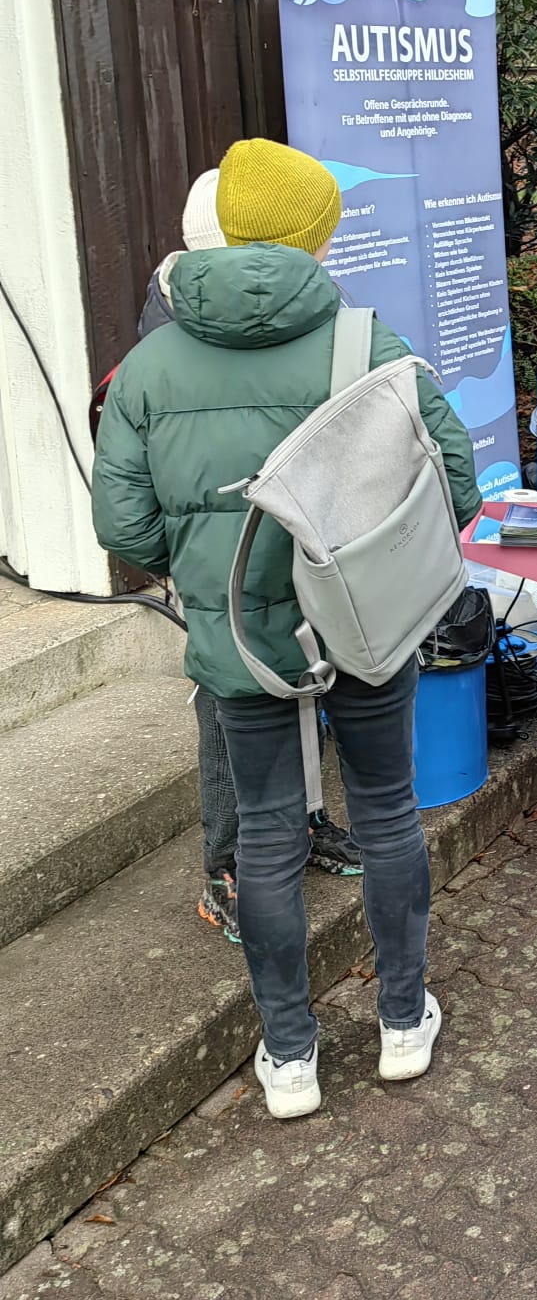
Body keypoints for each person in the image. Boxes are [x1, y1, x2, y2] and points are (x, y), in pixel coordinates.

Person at [93, 140, 482, 1121]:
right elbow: (457, 483)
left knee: (264, 836)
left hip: (242, 638)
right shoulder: (366, 345)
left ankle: (292, 1057)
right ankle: (401, 1022)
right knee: (387, 809)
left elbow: (123, 530)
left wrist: (202, 542)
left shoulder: (146, 365)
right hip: (363, 620)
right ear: (317, 237)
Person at [136, 169, 364, 946]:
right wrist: (185, 560)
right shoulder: (169, 327)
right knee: (227, 706)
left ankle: (304, 822)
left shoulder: (291, 305)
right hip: (220, 566)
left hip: (298, 543)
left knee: (308, 681)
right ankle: (225, 865)